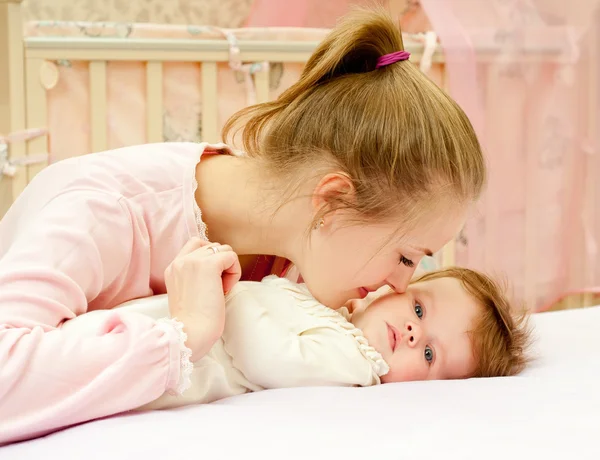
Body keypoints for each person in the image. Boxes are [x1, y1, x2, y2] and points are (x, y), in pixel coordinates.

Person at [0, 6, 485, 445]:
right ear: (333, 201)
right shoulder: (103, 211)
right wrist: (185, 335)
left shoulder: (296, 254)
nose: (401, 283)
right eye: (406, 256)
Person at [59, 241, 531, 413]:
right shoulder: (338, 317)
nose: (411, 333)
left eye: (429, 355)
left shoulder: (353, 363)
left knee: (73, 362)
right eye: (421, 311)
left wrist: (231, 296)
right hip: (162, 326)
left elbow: (264, 357)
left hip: (175, 368)